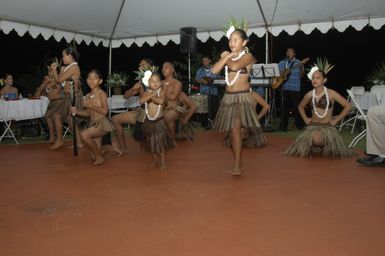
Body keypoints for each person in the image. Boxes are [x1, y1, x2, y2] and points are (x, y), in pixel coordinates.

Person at [211, 28, 259, 176]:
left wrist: (226, 55)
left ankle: (237, 163)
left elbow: (235, 66)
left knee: (235, 129)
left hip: (242, 97)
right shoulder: (229, 57)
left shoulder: (249, 57)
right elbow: (214, 70)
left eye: (236, 39)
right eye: (230, 40)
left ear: (244, 42)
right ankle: (239, 161)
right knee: (233, 131)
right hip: (228, 98)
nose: (232, 42)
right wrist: (227, 56)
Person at [285, 69, 352, 158]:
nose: (314, 80)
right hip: (313, 125)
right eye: (313, 78)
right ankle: (318, 146)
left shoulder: (331, 93)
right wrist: (306, 119)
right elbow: (300, 107)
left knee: (318, 139)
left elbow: (348, 106)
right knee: (314, 139)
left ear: (324, 80)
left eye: (318, 78)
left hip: (327, 126)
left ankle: (324, 144)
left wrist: (336, 120)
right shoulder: (309, 95)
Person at [70, 69, 116, 165]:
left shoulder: (101, 94)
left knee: (84, 134)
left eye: (95, 78)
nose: (92, 81)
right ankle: (110, 149)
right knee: (93, 156)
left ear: (100, 81)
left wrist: (91, 106)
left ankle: (100, 157)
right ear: (86, 80)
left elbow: (104, 111)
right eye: (89, 78)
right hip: (93, 124)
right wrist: (77, 111)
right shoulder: (87, 96)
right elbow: (88, 113)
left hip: (102, 124)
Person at [111, 58, 154, 153]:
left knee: (150, 146)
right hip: (142, 112)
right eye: (139, 65)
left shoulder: (156, 80)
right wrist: (133, 89)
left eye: (142, 65)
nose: (139, 67)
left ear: (150, 67)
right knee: (115, 119)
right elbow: (126, 97)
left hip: (153, 113)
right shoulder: (139, 83)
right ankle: (123, 148)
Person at [49, 45, 83, 149]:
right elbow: (59, 83)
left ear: (70, 56)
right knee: (69, 119)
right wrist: (58, 71)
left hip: (73, 96)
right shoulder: (68, 67)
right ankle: (79, 142)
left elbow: (59, 80)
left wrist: (55, 70)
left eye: (64, 56)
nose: (62, 58)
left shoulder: (73, 67)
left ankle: (60, 140)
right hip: (68, 96)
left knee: (57, 115)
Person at [139, 72, 174, 170]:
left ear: (161, 83)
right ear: (149, 83)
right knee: (150, 144)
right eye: (152, 81)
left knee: (160, 143)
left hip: (159, 122)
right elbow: (141, 101)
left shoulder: (161, 92)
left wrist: (152, 96)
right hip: (148, 122)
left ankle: (163, 162)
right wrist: (149, 95)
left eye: (157, 81)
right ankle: (155, 160)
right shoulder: (146, 93)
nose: (155, 83)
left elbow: (161, 101)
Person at [162, 61, 196, 144]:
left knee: (168, 116)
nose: (163, 69)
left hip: (175, 110)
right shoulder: (159, 83)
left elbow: (193, 106)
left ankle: (172, 140)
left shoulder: (177, 83)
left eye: (166, 67)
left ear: (172, 70)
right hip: (162, 109)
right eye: (162, 67)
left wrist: (185, 119)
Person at [35, 67, 64, 146]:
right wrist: (45, 82)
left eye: (51, 71)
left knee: (55, 117)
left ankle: (59, 139)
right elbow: (37, 92)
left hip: (59, 101)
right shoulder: (47, 81)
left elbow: (57, 86)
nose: (49, 73)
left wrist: (50, 81)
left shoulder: (59, 79)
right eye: (48, 71)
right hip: (51, 102)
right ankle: (52, 137)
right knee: (47, 116)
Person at [277, 48, 305, 131]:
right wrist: (284, 74)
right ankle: (283, 126)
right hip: (285, 88)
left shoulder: (299, 62)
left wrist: (300, 68)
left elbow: (302, 76)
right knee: (284, 108)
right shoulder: (282, 63)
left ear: (294, 54)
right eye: (287, 51)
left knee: (296, 108)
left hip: (295, 88)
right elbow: (278, 75)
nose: (289, 52)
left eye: (291, 51)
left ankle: (299, 125)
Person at [195, 55, 221, 127]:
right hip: (203, 93)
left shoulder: (215, 69)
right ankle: (205, 125)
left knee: (214, 109)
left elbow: (219, 79)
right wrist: (202, 81)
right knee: (204, 110)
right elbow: (196, 79)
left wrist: (211, 80)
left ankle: (214, 124)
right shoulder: (200, 70)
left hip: (213, 92)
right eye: (203, 61)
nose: (204, 62)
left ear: (210, 61)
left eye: (206, 60)